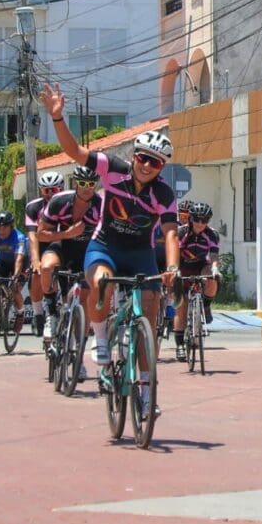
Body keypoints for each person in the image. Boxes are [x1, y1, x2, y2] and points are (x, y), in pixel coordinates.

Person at [40, 82, 179, 419]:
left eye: (156, 163)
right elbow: (75, 153)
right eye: (144, 158)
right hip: (105, 246)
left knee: (149, 310)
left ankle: (146, 390)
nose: (147, 166)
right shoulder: (112, 169)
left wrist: (172, 267)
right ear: (134, 157)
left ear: (162, 168)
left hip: (140, 254)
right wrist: (58, 119)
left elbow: (171, 233)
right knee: (102, 281)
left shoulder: (163, 194)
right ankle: (100, 339)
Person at [37, 165, 103, 379]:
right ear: (75, 183)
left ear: (96, 185)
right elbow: (41, 234)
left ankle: (78, 358)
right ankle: (51, 313)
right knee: (46, 267)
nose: (86, 188)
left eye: (91, 184)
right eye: (82, 184)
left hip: (88, 252)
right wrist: (66, 233)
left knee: (82, 304)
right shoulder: (59, 202)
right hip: (62, 246)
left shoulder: (101, 205)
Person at [172, 201, 220, 360]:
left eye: (204, 220)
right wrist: (176, 271)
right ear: (191, 218)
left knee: (212, 278)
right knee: (181, 307)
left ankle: (205, 305)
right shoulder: (181, 232)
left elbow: (213, 254)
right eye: (197, 219)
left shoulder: (212, 234)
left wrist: (215, 268)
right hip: (182, 265)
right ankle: (179, 345)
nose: (200, 223)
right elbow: (175, 252)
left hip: (200, 265)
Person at [25, 171, 66, 334]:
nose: (49, 194)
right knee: (37, 274)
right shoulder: (33, 207)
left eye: (54, 190)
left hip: (63, 243)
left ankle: (66, 315)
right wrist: (35, 260)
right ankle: (38, 314)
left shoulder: (69, 202)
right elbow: (32, 235)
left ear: (61, 190)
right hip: (41, 244)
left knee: (66, 280)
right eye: (45, 190)